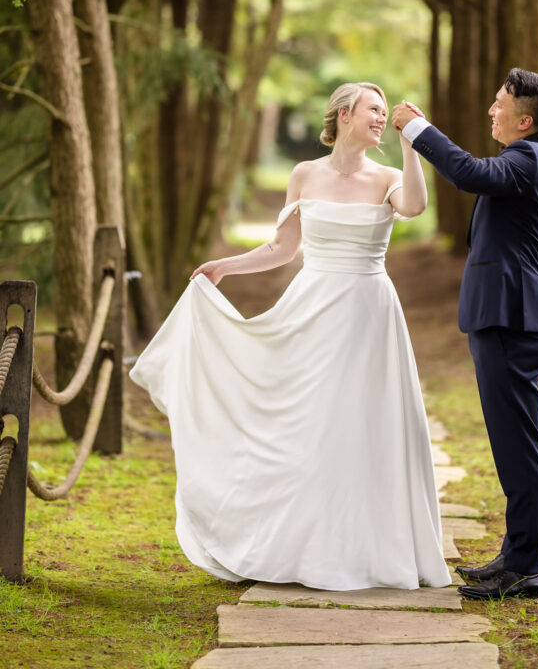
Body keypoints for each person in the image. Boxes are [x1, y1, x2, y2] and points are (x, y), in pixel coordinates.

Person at [129, 82, 451, 591]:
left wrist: (412, 145)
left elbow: (413, 207)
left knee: (365, 422)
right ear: (344, 114)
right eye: (374, 110)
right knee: (310, 419)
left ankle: (370, 549)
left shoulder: (389, 175)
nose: (381, 118)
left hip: (369, 312)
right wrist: (224, 267)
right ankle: (302, 545)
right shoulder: (304, 175)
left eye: (385, 113)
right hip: (311, 307)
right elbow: (283, 247)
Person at [392, 68, 538, 601]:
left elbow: (467, 172)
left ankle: (524, 570)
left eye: (499, 104)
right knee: (511, 445)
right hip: (512, 314)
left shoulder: (527, 158)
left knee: (519, 446)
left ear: (525, 119)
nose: (491, 111)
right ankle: (514, 558)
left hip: (510, 321)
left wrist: (419, 131)